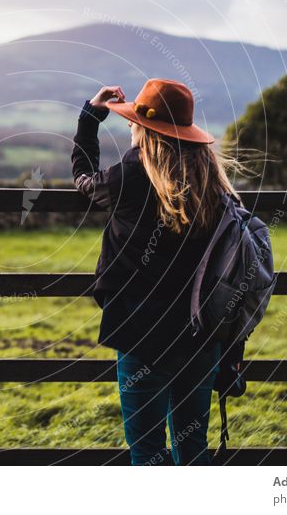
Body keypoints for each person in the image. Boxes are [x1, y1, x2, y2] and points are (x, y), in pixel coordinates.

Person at [71, 78, 239, 466]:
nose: (130, 127)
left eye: (133, 123)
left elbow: (84, 180)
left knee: (148, 455)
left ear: (144, 129)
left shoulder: (128, 177)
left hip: (140, 335)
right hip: (201, 337)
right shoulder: (211, 182)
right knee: (193, 449)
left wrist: (90, 118)